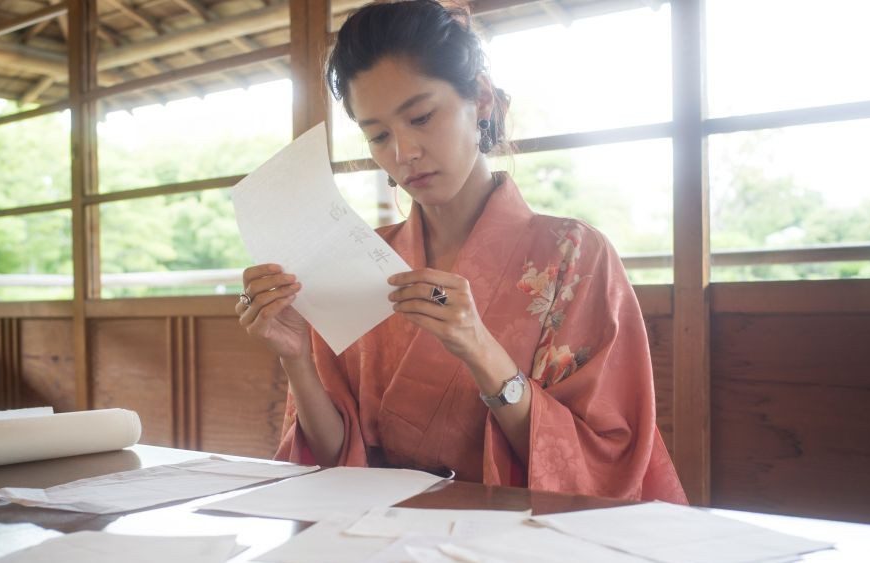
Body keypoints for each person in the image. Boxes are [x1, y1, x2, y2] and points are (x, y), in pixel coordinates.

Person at [235, 0, 686, 503]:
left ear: (482, 100)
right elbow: (335, 457)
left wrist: (480, 348)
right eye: (379, 135)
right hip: (378, 537)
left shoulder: (575, 257)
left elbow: (603, 463)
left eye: (422, 117)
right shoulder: (363, 262)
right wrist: (296, 357)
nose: (403, 152)